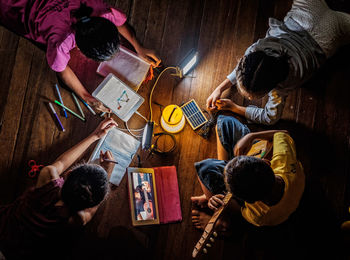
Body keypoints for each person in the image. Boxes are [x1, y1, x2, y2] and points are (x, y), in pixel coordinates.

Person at [0, 0, 161, 112]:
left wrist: (139, 47)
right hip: (14, 8)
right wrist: (87, 97)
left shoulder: (99, 8)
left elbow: (120, 23)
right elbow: (62, 71)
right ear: (79, 49)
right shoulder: (60, 42)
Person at [207, 0, 350, 125]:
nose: (249, 98)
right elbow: (244, 67)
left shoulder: (280, 88)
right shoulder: (255, 50)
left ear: (270, 86)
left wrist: (234, 107)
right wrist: (220, 88)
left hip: (328, 35)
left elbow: (269, 118)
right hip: (304, 14)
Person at [0, 117, 118, 259]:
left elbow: (61, 162)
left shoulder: (47, 178)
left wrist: (95, 135)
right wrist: (108, 172)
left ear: (67, 174)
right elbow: (91, 212)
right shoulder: (76, 219)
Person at [191, 115, 305, 231]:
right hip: (269, 181)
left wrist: (216, 201)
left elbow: (238, 210)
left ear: (246, 201)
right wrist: (251, 136)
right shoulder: (284, 158)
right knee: (225, 122)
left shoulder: (258, 215)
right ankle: (219, 181)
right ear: (266, 162)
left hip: (255, 197)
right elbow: (283, 133)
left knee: (204, 169)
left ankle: (223, 220)